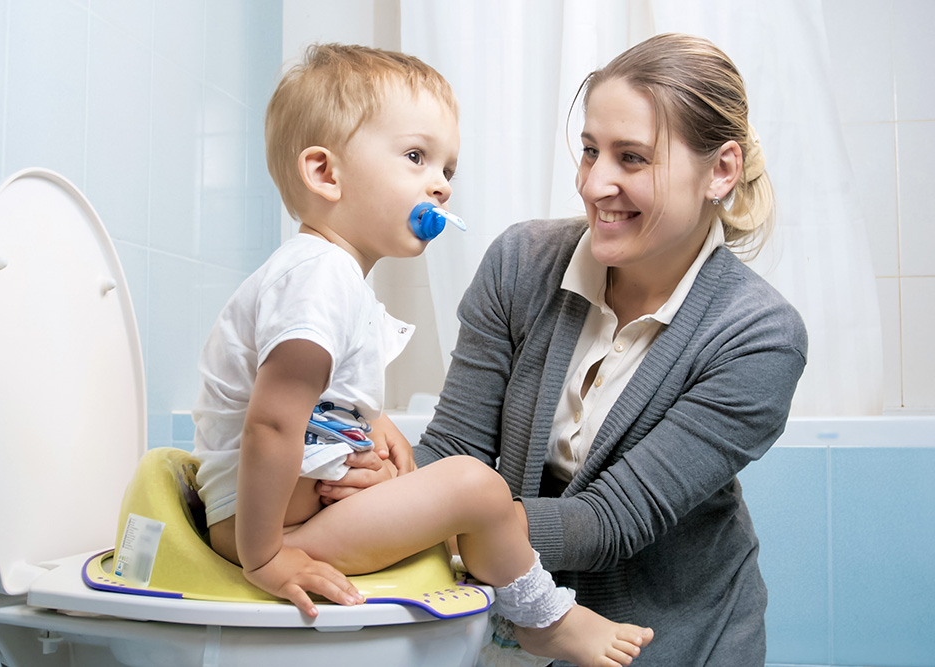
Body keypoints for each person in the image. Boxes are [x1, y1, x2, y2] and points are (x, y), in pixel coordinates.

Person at [324, 33, 807, 667]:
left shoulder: (758, 335)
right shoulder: (521, 263)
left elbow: (608, 523)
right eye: (589, 150)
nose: (594, 183)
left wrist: (415, 515)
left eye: (631, 158)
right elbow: (457, 448)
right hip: (524, 630)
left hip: (674, 643)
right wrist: (386, 484)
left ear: (719, 170)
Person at [191, 43, 654, 667]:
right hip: (262, 529)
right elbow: (271, 421)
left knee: (447, 507)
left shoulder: (330, 275)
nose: (439, 183)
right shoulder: (319, 278)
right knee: (476, 488)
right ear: (326, 174)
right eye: (415, 157)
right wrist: (266, 556)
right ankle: (544, 618)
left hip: (277, 516)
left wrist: (372, 424)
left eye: (447, 169)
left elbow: (307, 395)